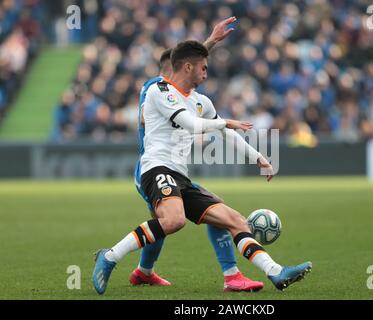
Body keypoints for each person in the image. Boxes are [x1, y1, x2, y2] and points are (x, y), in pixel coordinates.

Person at [92, 40, 312, 295]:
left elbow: (227, 134)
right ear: (187, 67)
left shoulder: (201, 101)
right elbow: (191, 125)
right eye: (203, 68)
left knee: (235, 220)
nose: (207, 73)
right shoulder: (160, 91)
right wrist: (225, 122)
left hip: (180, 176)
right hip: (156, 168)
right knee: (173, 220)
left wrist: (258, 157)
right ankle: (109, 257)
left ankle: (275, 271)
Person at [129, 17, 264, 292]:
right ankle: (119, 261)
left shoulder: (182, 93)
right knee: (170, 221)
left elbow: (190, 61)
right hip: (154, 166)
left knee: (172, 219)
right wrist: (210, 42)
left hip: (173, 168)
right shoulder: (155, 89)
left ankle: (144, 272)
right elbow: (148, 117)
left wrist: (212, 41)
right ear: (172, 70)